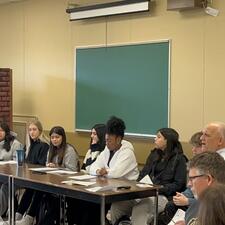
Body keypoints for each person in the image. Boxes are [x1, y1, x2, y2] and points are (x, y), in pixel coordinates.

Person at [67, 116, 139, 225]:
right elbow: (92, 167)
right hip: (108, 189)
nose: (106, 143)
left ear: (118, 139)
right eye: (106, 140)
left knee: (93, 205)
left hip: (125, 193)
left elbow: (116, 173)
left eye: (109, 141)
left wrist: (106, 171)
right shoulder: (107, 149)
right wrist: (98, 171)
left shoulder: (127, 152)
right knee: (81, 201)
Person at [111, 127, 187, 225]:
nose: (155, 139)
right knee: (118, 206)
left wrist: (159, 188)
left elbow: (178, 184)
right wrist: (138, 185)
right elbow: (143, 174)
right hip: (144, 192)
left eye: (159, 137)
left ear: (168, 140)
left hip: (163, 196)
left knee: (141, 209)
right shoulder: (154, 154)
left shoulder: (179, 159)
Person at [16, 126, 80, 225]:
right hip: (52, 182)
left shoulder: (69, 150)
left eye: (57, 137)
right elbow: (47, 164)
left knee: (41, 192)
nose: (54, 140)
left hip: (66, 185)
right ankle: (19, 216)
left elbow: (73, 171)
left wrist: (57, 167)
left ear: (63, 137)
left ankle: (30, 218)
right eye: (52, 137)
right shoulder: (51, 149)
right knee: (33, 188)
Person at [157, 131, 202, 225]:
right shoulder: (155, 155)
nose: (193, 150)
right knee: (171, 205)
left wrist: (187, 201)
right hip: (190, 199)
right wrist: (182, 195)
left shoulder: (180, 159)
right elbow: (190, 188)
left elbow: (207, 201)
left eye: (196, 147)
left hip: (198, 204)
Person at [66, 124, 106, 225]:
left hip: (97, 187)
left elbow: (94, 170)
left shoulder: (103, 152)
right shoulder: (90, 151)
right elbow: (84, 169)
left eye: (94, 134)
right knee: (71, 197)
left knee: (85, 203)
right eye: (91, 133)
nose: (91, 136)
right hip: (85, 184)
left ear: (101, 135)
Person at [14, 120, 49, 225]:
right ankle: (17, 215)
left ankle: (29, 217)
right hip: (31, 176)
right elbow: (26, 161)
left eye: (34, 129)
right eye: (30, 130)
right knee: (29, 190)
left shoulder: (43, 145)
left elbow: (41, 164)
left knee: (36, 189)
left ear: (40, 130)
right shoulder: (30, 145)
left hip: (41, 177)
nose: (32, 132)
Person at [175, 152, 225, 225]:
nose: (188, 184)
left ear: (208, 179)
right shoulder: (196, 205)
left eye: (192, 179)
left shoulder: (220, 211)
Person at [0, 121, 23, 216]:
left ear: (6, 132)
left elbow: (17, 163)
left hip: (12, 176)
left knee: (3, 188)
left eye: (1, 131)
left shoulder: (15, 144)